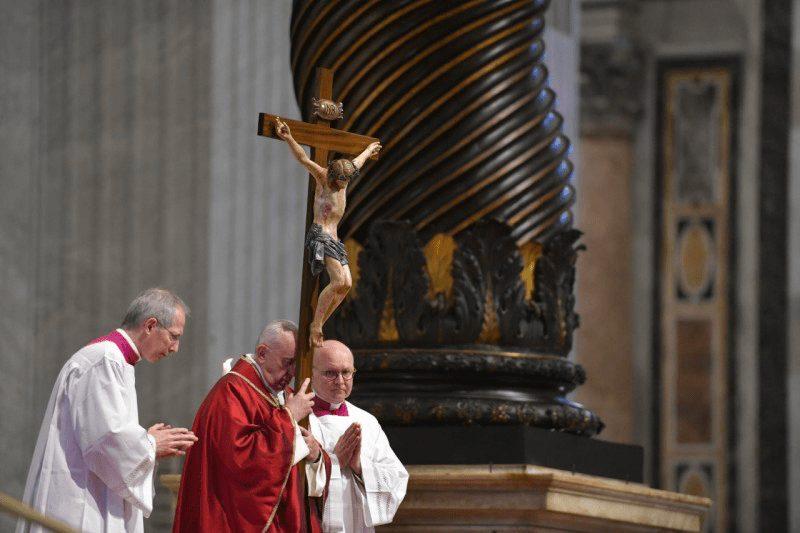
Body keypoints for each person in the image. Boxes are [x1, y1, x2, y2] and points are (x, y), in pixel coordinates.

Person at [18, 288, 198, 533]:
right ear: (150, 326)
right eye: (173, 336)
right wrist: (151, 444)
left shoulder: (115, 359)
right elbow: (104, 439)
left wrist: (147, 444)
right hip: (80, 500)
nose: (175, 347)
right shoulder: (104, 360)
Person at [173, 320, 332, 532]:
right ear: (262, 353)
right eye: (287, 362)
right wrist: (289, 417)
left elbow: (301, 463)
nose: (293, 372)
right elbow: (240, 462)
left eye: (296, 364)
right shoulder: (231, 393)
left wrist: (315, 454)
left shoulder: (289, 396)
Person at [275, 117, 382, 348]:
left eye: (347, 181)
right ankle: (316, 326)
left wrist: (368, 150)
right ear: (334, 176)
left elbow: (357, 163)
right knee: (337, 281)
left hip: (334, 237)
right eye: (341, 181)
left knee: (347, 284)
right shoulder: (324, 178)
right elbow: (303, 159)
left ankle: (320, 322)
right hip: (321, 235)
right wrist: (289, 137)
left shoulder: (346, 175)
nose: (344, 185)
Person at [309, 340, 408, 532]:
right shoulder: (300, 418)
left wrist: (361, 467)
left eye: (346, 372)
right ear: (311, 374)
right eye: (330, 373)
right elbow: (287, 480)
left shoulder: (367, 421)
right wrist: (333, 462)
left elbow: (397, 478)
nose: (340, 381)